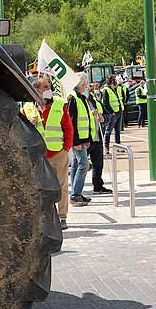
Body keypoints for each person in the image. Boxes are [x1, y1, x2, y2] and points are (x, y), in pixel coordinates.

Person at [24, 76, 73, 229]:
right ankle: (44, 218)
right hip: (39, 155)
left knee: (62, 186)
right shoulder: (27, 107)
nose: (48, 89)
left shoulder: (59, 104)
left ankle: (62, 217)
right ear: (36, 90)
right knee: (40, 187)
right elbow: (21, 130)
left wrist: (66, 148)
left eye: (49, 86)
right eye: (45, 87)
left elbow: (68, 127)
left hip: (58, 152)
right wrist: (28, 124)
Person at [67, 75, 96, 207]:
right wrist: (76, 141)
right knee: (83, 165)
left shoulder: (80, 98)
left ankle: (76, 192)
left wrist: (86, 138)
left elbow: (84, 120)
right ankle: (75, 195)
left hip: (81, 139)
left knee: (75, 165)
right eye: (86, 83)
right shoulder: (73, 98)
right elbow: (72, 121)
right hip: (77, 140)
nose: (87, 85)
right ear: (83, 83)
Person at [87, 85, 110, 195]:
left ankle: (98, 186)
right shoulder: (76, 100)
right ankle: (76, 191)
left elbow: (107, 114)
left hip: (97, 136)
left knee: (98, 163)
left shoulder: (95, 101)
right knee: (79, 165)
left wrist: (103, 118)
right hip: (85, 138)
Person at [102, 76, 124, 150]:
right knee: (108, 131)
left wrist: (121, 109)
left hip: (118, 112)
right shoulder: (106, 90)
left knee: (118, 131)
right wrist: (111, 112)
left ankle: (118, 147)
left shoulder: (115, 89)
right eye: (114, 80)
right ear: (111, 81)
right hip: (113, 114)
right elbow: (105, 103)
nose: (115, 81)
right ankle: (106, 146)